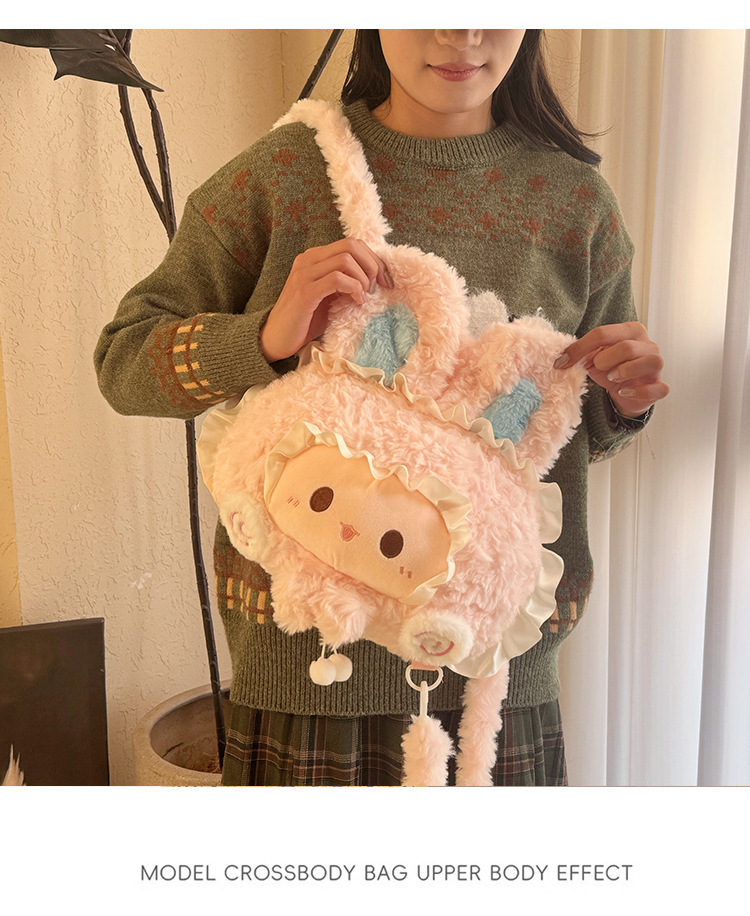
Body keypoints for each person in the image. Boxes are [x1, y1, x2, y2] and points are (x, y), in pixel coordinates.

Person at [94, 29, 669, 786]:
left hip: (494, 679)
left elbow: (560, 443)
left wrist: (623, 404)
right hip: (310, 662)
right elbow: (125, 363)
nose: (460, 33)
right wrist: (265, 337)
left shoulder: (576, 206)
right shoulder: (285, 175)